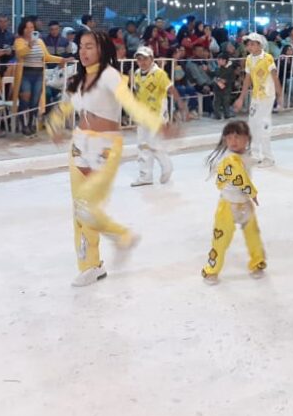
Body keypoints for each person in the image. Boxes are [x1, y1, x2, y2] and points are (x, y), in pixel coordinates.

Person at [45, 30, 177, 287]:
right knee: (79, 211)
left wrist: (157, 123)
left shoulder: (109, 75)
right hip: (78, 146)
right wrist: (53, 127)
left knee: (87, 206)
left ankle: (121, 235)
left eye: (89, 46)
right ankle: (91, 265)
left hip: (105, 147)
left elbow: (131, 104)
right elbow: (64, 108)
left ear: (102, 49)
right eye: (81, 46)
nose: (83, 51)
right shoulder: (79, 80)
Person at [201, 120, 267, 283]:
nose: (233, 141)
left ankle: (258, 263)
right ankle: (211, 270)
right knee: (220, 240)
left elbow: (248, 163)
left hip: (245, 205)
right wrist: (252, 193)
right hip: (227, 206)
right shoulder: (229, 159)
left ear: (247, 138)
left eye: (237, 137)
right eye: (229, 138)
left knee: (253, 235)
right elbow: (240, 178)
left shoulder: (245, 155)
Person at [234, 33, 281, 167]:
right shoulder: (249, 59)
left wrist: (279, 95)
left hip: (267, 95)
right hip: (256, 96)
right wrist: (241, 97)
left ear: (260, 45)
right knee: (253, 124)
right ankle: (254, 154)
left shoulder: (267, 58)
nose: (250, 47)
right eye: (248, 44)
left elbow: (275, 77)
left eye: (252, 44)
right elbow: (247, 79)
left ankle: (268, 157)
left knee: (264, 124)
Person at [130, 46, 175, 187]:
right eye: (139, 59)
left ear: (151, 59)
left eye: (145, 59)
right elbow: (137, 94)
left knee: (154, 144)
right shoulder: (137, 74)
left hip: (157, 115)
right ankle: (145, 176)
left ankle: (167, 166)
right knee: (143, 145)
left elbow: (170, 90)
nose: (142, 62)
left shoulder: (159, 74)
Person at [12, 16, 65, 137]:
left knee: (35, 100)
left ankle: (31, 123)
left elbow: (47, 57)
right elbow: (20, 53)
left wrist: (62, 59)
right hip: (25, 73)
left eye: (31, 27)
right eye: (27, 27)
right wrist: (30, 45)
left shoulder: (40, 42)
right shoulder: (19, 41)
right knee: (25, 98)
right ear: (22, 29)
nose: (29, 30)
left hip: (38, 74)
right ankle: (23, 124)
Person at [211, 52, 238, 121]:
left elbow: (232, 79)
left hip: (226, 89)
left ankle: (227, 114)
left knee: (226, 101)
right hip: (217, 88)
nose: (218, 61)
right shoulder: (217, 68)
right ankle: (217, 114)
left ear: (224, 60)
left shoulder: (230, 69)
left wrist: (225, 81)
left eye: (219, 60)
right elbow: (213, 75)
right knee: (216, 102)